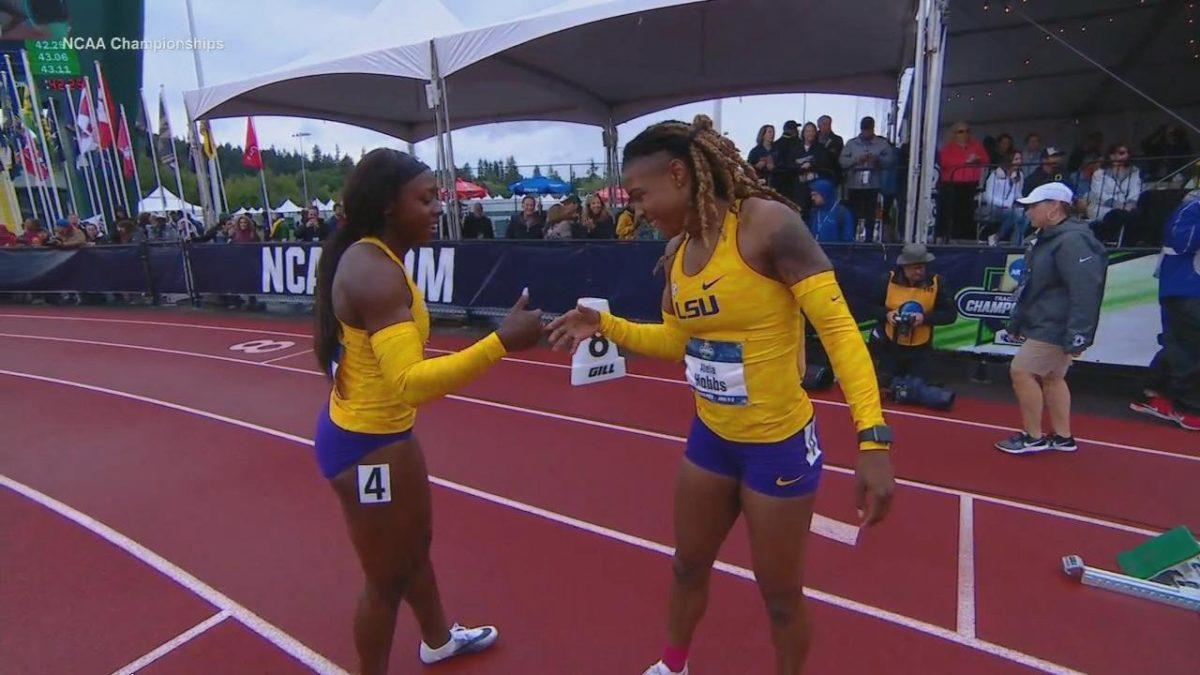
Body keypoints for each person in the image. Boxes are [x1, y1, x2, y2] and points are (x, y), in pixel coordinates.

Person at [546, 115, 894, 675]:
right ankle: (674, 665)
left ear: (679, 174)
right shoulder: (678, 254)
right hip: (711, 438)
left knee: (780, 597)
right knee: (687, 565)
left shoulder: (767, 227)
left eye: (639, 195)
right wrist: (606, 327)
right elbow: (675, 343)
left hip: (776, 446)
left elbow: (840, 333)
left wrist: (872, 438)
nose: (634, 210)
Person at [312, 149, 544, 674]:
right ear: (390, 206)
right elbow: (411, 383)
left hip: (387, 435)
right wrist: (499, 342)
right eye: (426, 198)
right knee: (385, 578)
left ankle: (438, 640)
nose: (438, 207)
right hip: (366, 449)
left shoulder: (377, 258)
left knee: (414, 548)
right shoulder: (374, 272)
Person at [998, 182, 1106, 454]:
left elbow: (1085, 290)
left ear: (1055, 206)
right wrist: (1018, 322)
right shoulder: (1050, 238)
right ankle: (1062, 436)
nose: (1029, 212)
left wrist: (1079, 334)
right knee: (1053, 378)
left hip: (1055, 325)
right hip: (1049, 321)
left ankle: (1033, 436)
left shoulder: (1071, 240)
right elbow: (1034, 286)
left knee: (1022, 371)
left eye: (1034, 206)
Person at [1130, 190, 1200, 430]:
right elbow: (1182, 242)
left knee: (1180, 344)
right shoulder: (1191, 207)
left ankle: (1156, 393)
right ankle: (1190, 407)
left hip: (1187, 289)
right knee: (1188, 347)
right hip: (1184, 288)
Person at [867, 244, 957, 386]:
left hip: (920, 350)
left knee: (917, 389)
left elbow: (950, 315)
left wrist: (925, 318)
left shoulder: (938, 282)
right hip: (890, 346)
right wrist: (887, 315)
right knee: (885, 386)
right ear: (905, 266)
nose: (920, 271)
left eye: (923, 266)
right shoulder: (887, 280)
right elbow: (870, 307)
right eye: (916, 267)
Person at [807, 178, 853, 243]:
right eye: (812, 195)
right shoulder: (814, 212)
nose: (812, 198)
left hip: (836, 252)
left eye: (815, 195)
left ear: (824, 194)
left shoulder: (842, 213)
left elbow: (848, 239)